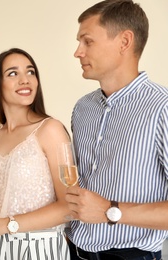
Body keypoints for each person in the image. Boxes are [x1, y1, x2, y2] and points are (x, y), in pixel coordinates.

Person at [65, 1, 168, 259]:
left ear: (124, 42)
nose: (78, 52)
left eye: (87, 41)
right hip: (73, 251)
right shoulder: (82, 109)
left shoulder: (162, 108)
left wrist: (111, 211)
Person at [0, 48, 72, 260]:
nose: (25, 80)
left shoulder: (51, 130)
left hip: (40, 250)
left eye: (30, 72)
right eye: (13, 73)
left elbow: (69, 206)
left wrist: (4, 224)